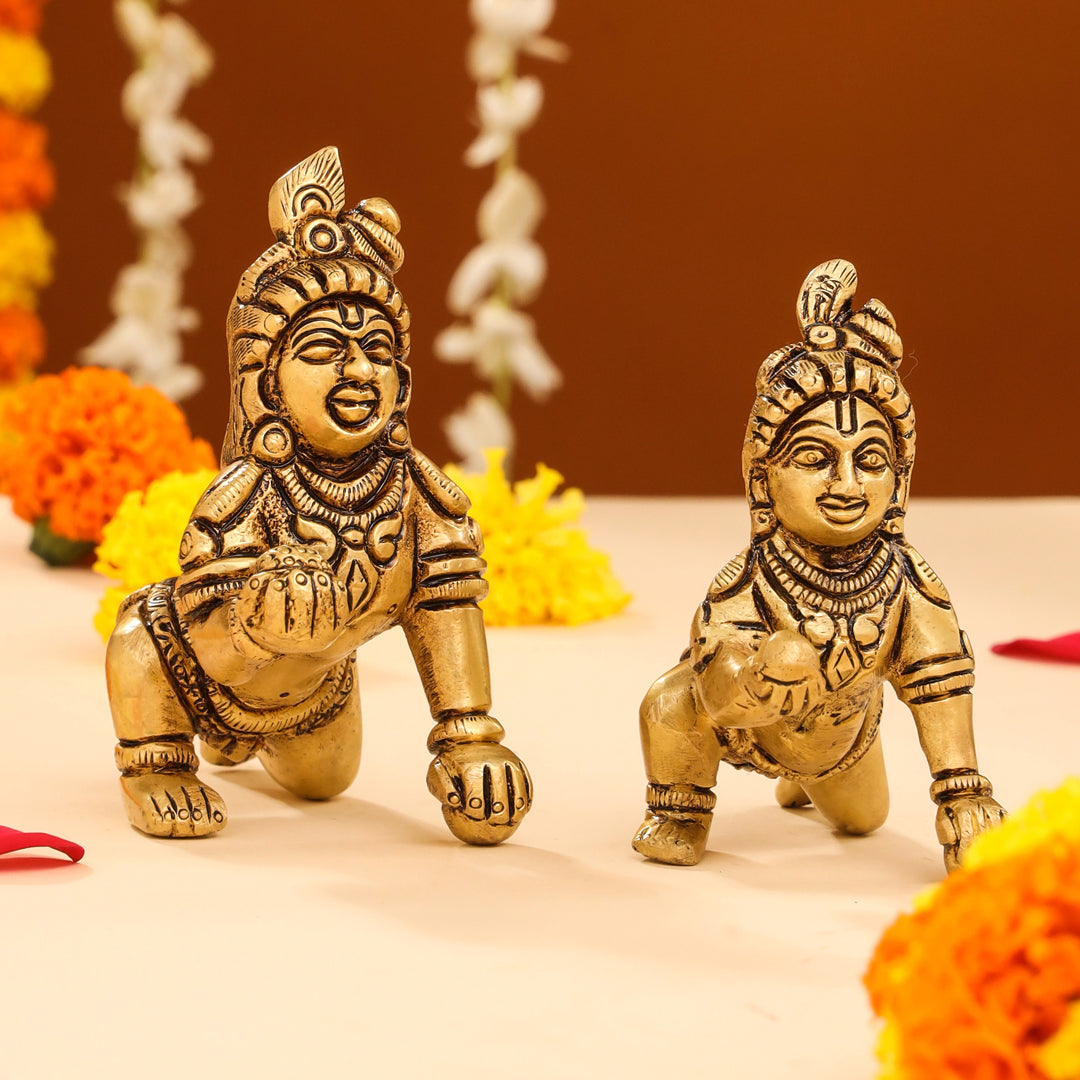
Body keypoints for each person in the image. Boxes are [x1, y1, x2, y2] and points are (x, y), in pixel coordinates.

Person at [106, 147, 531, 845]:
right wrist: (256, 624)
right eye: (324, 350)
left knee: (326, 783)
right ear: (265, 382)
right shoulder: (250, 494)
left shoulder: (419, 496)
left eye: (379, 351)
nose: (360, 369)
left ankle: (255, 741)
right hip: (190, 675)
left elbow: (445, 609)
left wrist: (470, 739)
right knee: (139, 635)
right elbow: (202, 621)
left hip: (316, 693)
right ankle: (157, 763)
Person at [631, 259, 1004, 871]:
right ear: (763, 478)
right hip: (741, 728)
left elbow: (939, 685)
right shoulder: (748, 578)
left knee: (864, 820)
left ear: (900, 481)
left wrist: (962, 793)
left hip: (841, 740)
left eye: (872, 460)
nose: (847, 485)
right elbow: (716, 686)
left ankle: (806, 781)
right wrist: (759, 677)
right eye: (813, 457)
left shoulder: (908, 582)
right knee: (670, 702)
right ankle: (680, 812)